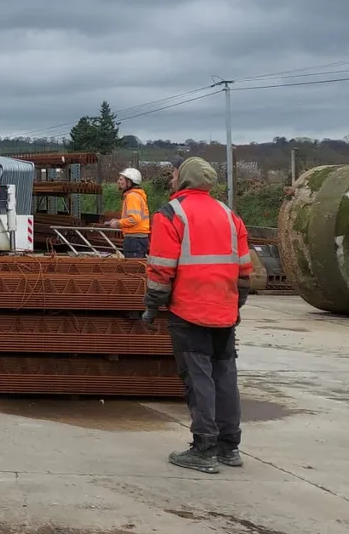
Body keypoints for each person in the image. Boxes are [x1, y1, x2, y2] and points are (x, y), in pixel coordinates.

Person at [142, 157, 252, 474]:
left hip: (189, 310)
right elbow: (244, 270)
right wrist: (234, 304)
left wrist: (151, 307)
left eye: (175, 174)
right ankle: (229, 447)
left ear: (185, 179)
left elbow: (161, 269)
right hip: (224, 309)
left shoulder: (171, 214)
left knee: (198, 377)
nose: (172, 178)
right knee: (225, 375)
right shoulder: (229, 215)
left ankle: (204, 448)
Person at [107, 168, 150, 259]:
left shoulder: (132, 196)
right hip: (138, 238)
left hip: (134, 239)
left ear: (129, 182)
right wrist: (118, 221)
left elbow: (134, 219)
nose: (118, 181)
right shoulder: (137, 195)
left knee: (133, 269)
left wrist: (117, 223)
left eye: (121, 179)